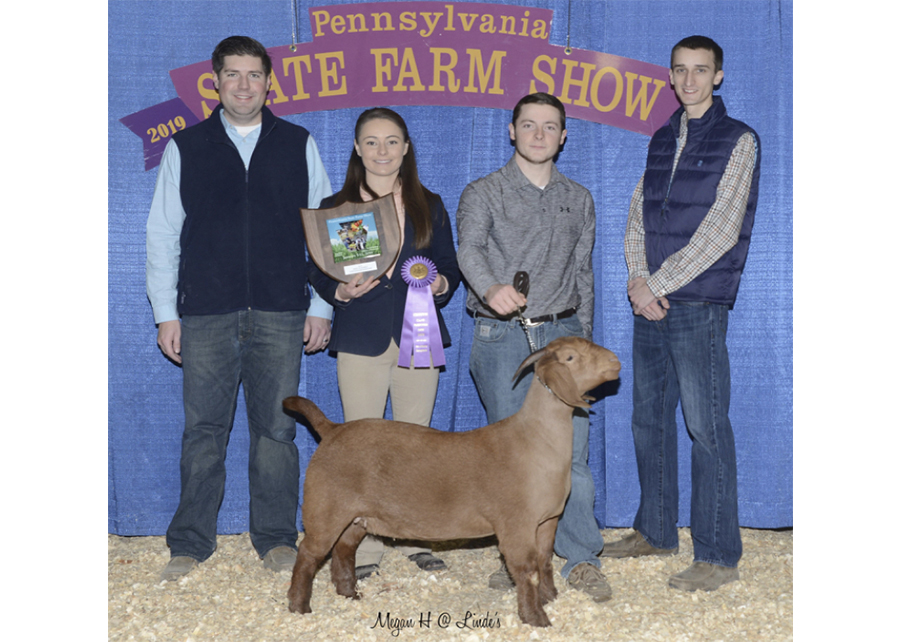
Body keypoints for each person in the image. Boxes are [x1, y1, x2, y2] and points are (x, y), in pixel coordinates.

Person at [146, 36, 334, 581]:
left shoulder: (298, 143)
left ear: (269, 83)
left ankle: (276, 539)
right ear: (216, 82)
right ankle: (189, 543)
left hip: (281, 312)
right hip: (206, 313)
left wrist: (322, 305)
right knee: (203, 431)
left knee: (277, 432)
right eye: (233, 74)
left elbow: (324, 231)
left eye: (254, 75)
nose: (244, 85)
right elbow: (163, 234)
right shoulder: (186, 146)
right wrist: (166, 313)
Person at [604, 35, 760, 593]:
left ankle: (717, 555)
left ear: (718, 76)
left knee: (705, 426)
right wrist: (636, 278)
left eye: (700, 69)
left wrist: (655, 284)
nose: (689, 79)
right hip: (651, 299)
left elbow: (722, 229)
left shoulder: (739, 139)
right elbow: (638, 213)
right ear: (669, 77)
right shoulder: (662, 137)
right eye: (680, 70)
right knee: (648, 419)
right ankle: (655, 530)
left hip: (697, 302)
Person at [456, 93, 610, 602]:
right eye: (528, 125)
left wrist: (585, 343)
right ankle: (517, 557)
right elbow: (468, 249)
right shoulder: (483, 192)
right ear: (511, 131)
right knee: (511, 459)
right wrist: (489, 287)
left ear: (563, 136)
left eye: (549, 126)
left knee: (572, 456)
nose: (539, 134)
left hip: (563, 337)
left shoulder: (579, 198)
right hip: (501, 335)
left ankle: (581, 558)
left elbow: (583, 272)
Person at [308, 107, 461, 579]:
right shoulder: (337, 207)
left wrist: (440, 285)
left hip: (419, 331)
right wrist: (338, 292)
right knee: (363, 448)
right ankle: (368, 546)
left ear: (406, 147)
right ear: (357, 148)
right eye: (371, 142)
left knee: (417, 446)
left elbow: (448, 265)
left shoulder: (429, 203)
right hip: (361, 335)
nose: (382, 151)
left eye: (392, 141)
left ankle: (415, 536)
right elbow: (315, 267)